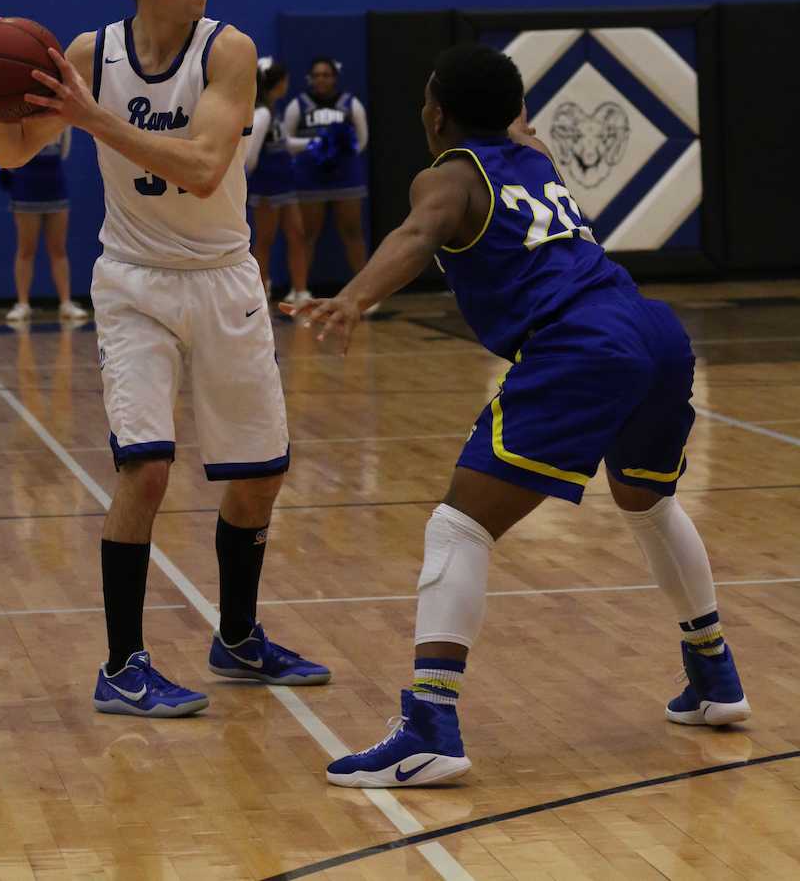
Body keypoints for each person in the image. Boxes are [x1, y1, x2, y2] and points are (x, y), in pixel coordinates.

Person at [295, 43, 749, 788]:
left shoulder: (448, 176)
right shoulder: (532, 153)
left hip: (579, 343)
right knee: (648, 504)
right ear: (514, 113)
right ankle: (715, 676)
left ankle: (430, 726)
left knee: (459, 525)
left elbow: (415, 236)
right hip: (652, 329)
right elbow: (516, 124)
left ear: (435, 112)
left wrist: (352, 299)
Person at [0, 0, 330, 717]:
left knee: (261, 477)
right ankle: (122, 664)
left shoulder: (226, 51)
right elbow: (9, 151)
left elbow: (204, 168)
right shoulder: (92, 54)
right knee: (148, 467)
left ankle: (237, 638)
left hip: (223, 274)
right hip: (133, 281)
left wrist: (95, 118)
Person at [283, 57, 371, 304]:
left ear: (335, 77)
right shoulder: (297, 105)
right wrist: (317, 145)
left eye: (326, 75)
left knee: (353, 232)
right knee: (307, 233)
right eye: (317, 75)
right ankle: (299, 289)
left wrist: (338, 150)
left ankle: (365, 291)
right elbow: (287, 141)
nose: (321, 79)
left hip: (345, 177)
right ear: (310, 78)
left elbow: (362, 140)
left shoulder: (351, 103)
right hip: (311, 178)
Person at [0, 127, 89, 323]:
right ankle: (23, 304)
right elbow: (10, 153)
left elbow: (64, 151)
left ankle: (65, 303)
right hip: (25, 185)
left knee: (58, 249)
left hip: (55, 183)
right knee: (25, 249)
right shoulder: (19, 117)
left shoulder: (61, 117)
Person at [246, 57, 310, 308]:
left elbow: (283, 144)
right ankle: (260, 291)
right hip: (266, 186)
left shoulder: (274, 109)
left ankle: (300, 291)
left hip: (285, 184)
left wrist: (312, 144)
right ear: (279, 83)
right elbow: (250, 156)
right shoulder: (261, 113)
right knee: (264, 240)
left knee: (297, 234)